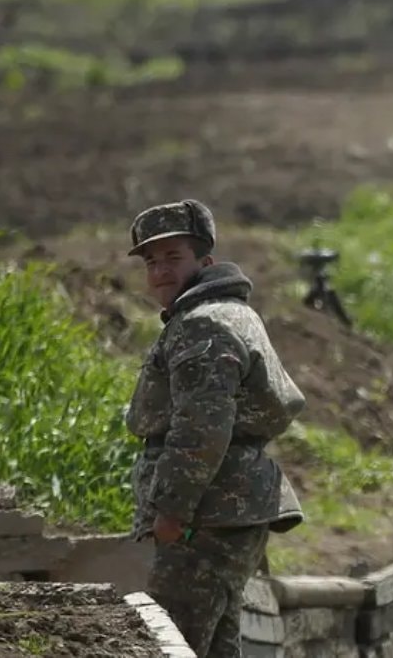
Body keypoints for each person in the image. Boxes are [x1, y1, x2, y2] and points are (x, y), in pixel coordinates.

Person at [124, 199, 305, 658]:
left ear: (205, 263)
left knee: (174, 642)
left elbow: (200, 428)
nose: (160, 271)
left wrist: (172, 510)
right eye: (151, 261)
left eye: (173, 257)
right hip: (226, 508)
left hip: (207, 514)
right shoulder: (228, 313)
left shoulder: (201, 325)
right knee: (216, 644)